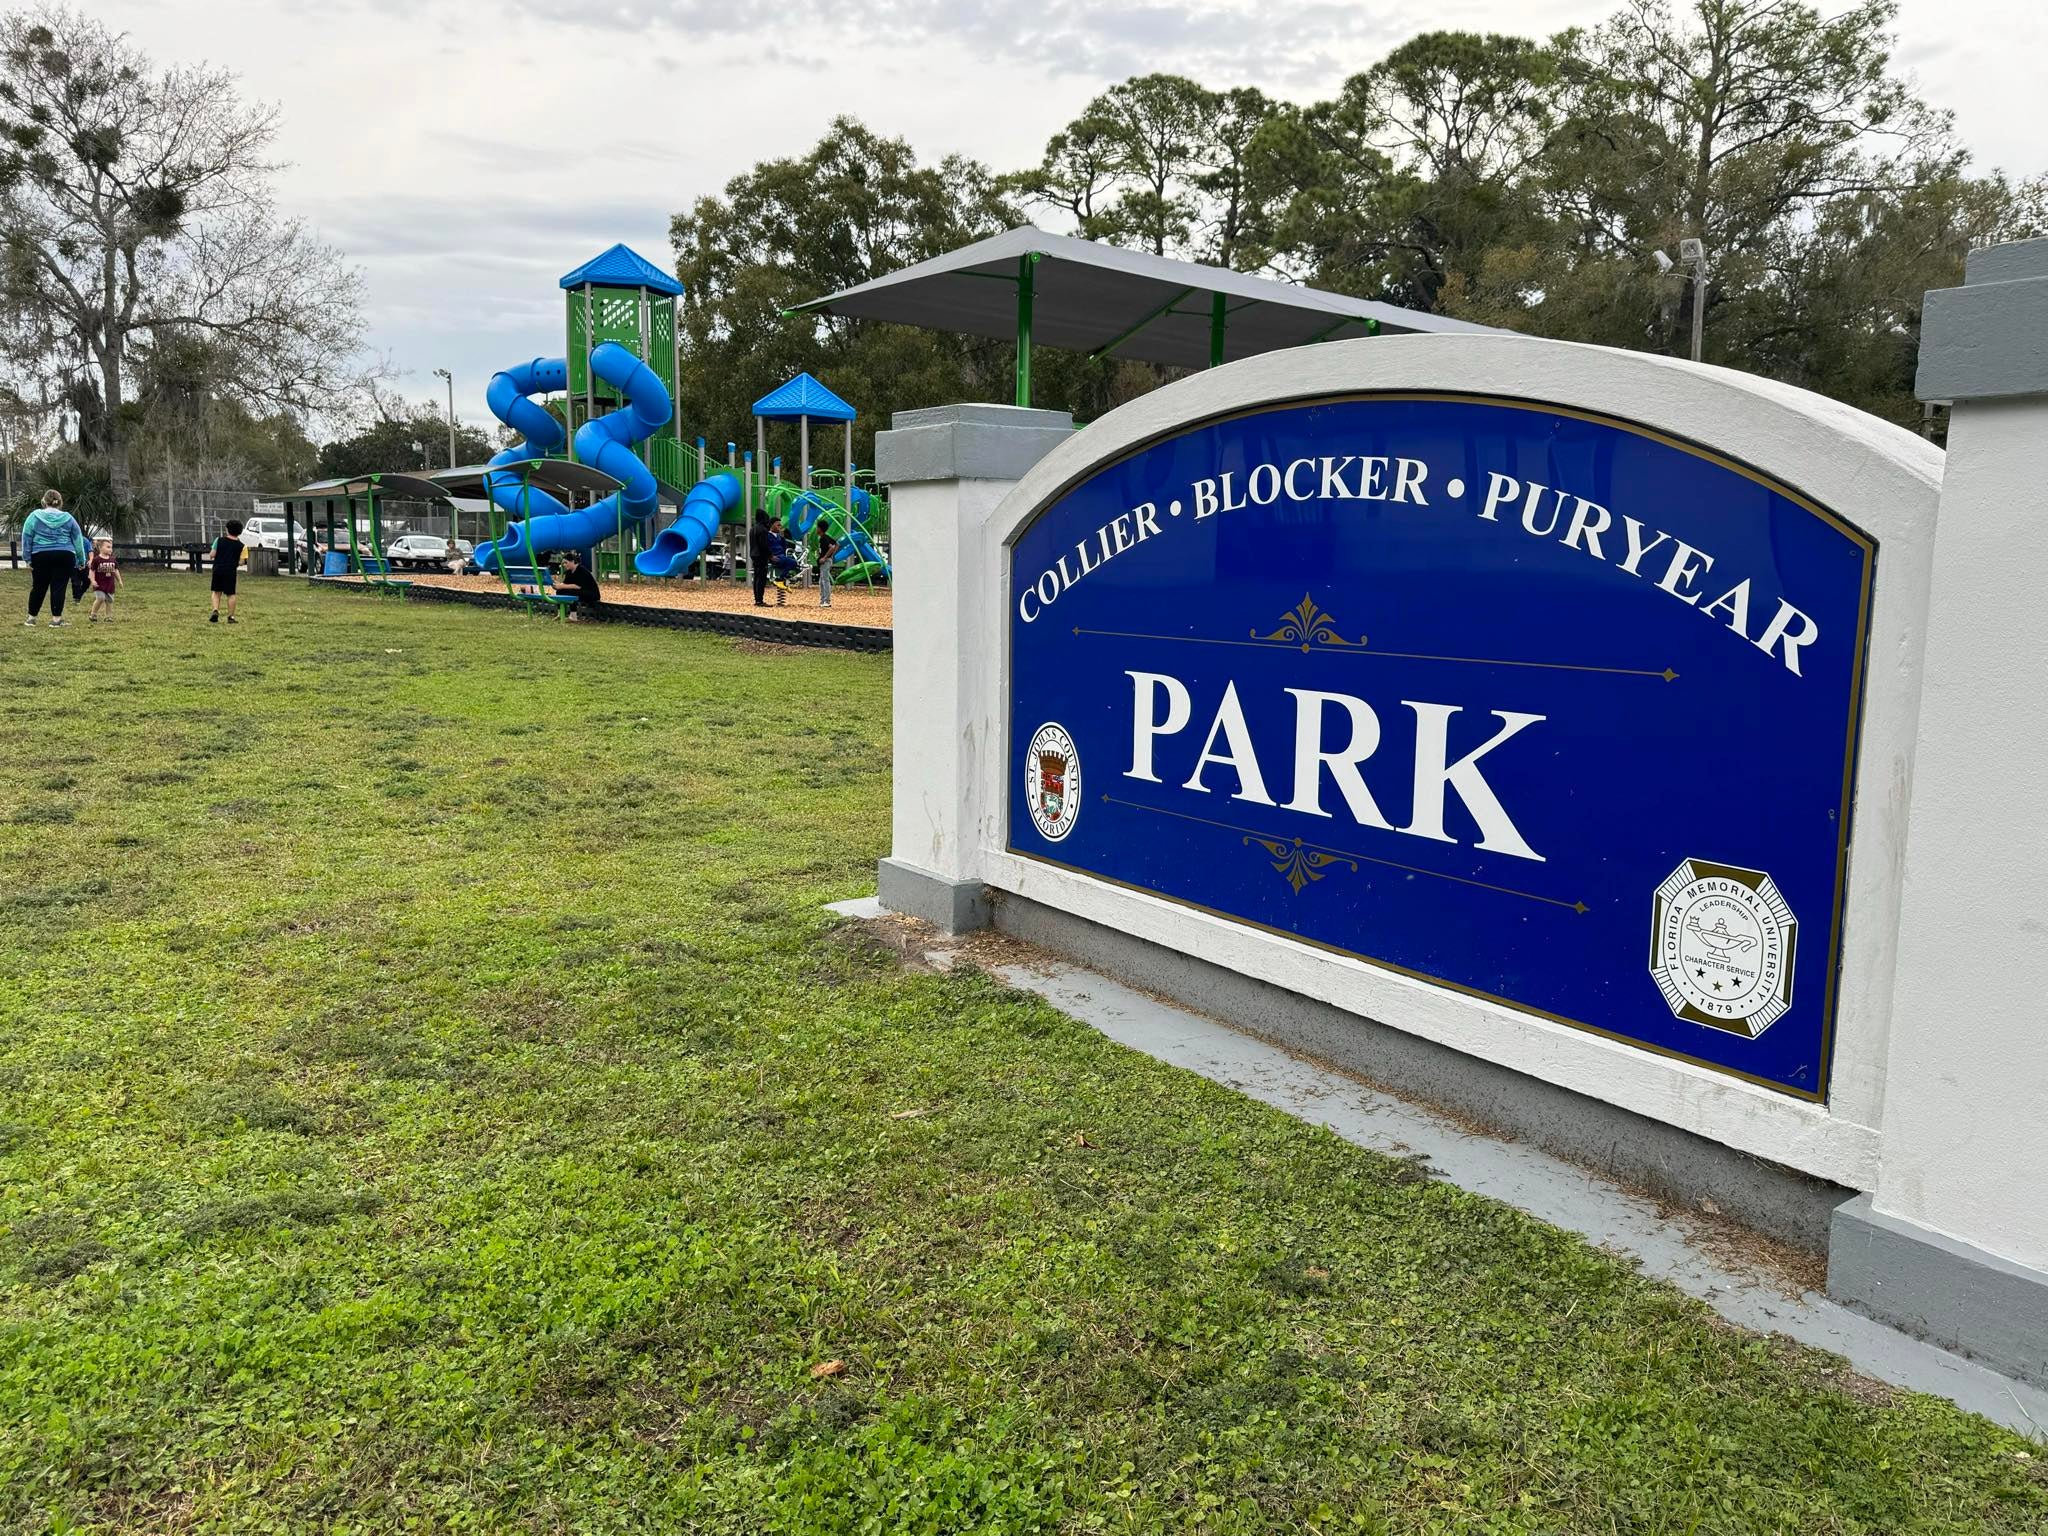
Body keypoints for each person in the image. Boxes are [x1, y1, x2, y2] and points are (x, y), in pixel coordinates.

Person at [21, 488, 87, 627]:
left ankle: (31, 618)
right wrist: (81, 560)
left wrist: (27, 558)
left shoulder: (34, 516)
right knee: (59, 587)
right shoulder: (68, 518)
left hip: (40, 554)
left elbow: (27, 537)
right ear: (60, 502)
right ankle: (56, 620)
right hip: (65, 555)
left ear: (44, 501)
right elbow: (77, 540)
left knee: (38, 586)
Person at [209, 519, 245, 623]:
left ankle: (215, 610)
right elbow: (242, 562)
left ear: (227, 530)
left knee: (216, 592)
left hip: (218, 569)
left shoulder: (218, 540)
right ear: (240, 532)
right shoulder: (242, 546)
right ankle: (231, 617)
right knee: (231, 594)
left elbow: (212, 554)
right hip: (230, 571)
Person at [555, 549, 600, 620]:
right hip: (579, 592)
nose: (564, 565)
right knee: (560, 591)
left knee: (571, 592)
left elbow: (578, 586)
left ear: (572, 561)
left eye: (566, 563)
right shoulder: (569, 572)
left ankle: (573, 616)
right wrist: (557, 585)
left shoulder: (581, 570)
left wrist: (562, 586)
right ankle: (560, 613)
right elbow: (566, 584)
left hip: (590, 593)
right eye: (563, 563)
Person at [86, 538, 121, 621]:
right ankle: (93, 614)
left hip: (110, 585)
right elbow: (92, 571)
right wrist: (92, 580)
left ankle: (108, 616)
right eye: (108, 547)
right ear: (101, 548)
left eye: (111, 547)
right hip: (99, 585)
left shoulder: (112, 560)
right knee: (100, 598)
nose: (110, 549)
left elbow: (116, 570)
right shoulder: (96, 560)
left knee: (109, 601)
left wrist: (119, 580)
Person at [749, 514, 772, 607]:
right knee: (761, 578)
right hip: (761, 556)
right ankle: (760, 600)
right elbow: (764, 545)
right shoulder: (763, 530)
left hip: (754, 555)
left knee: (756, 577)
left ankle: (757, 599)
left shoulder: (752, 529)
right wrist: (770, 555)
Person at [816, 520, 840, 608]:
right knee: (822, 580)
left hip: (825, 561)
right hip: (826, 560)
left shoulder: (823, 538)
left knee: (825, 580)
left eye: (817, 527)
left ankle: (826, 601)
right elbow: (837, 544)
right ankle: (823, 600)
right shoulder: (826, 537)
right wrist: (831, 555)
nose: (816, 529)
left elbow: (832, 547)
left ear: (820, 528)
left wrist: (825, 557)